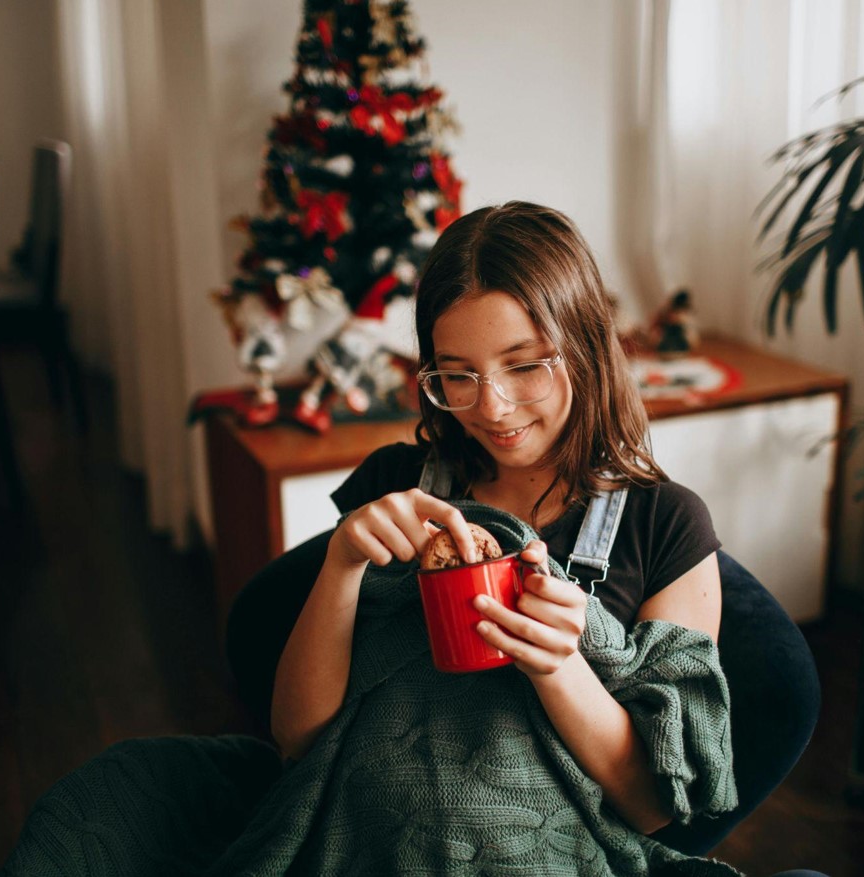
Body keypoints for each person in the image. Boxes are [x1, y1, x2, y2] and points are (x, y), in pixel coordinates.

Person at [271, 201, 725, 834]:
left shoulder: (667, 525)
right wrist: (342, 565)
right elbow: (297, 738)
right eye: (457, 375)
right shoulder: (392, 485)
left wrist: (559, 664)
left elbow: (652, 808)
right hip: (359, 827)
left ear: (587, 347)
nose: (493, 408)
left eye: (523, 365)